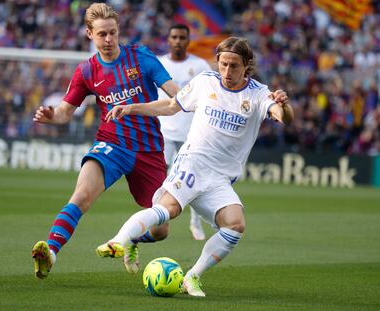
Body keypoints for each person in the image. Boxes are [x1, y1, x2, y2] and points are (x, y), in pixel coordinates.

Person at [97, 36, 294, 297]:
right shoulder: (205, 82)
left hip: (220, 179)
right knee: (168, 212)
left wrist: (284, 105)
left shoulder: (258, 93)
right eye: (223, 64)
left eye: (234, 66)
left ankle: (192, 277)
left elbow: (283, 117)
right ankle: (118, 242)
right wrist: (131, 108)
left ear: (247, 66)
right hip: (192, 163)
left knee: (235, 225)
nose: (227, 71)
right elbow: (170, 105)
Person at [31, 2, 179, 279]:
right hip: (111, 144)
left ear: (118, 30)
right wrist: (51, 116)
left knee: (162, 229)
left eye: (112, 32)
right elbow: (65, 112)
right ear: (89, 34)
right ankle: (49, 253)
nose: (108, 39)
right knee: (82, 195)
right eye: (102, 34)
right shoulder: (86, 71)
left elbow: (176, 99)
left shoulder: (142, 59)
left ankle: (132, 239)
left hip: (149, 150)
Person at [157, 24, 211, 241]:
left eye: (182, 37)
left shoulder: (199, 65)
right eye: (174, 37)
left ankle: (195, 223)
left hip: (191, 134)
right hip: (164, 132)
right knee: (160, 178)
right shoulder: (160, 64)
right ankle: (158, 220)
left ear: (188, 41)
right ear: (168, 40)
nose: (178, 41)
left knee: (194, 179)